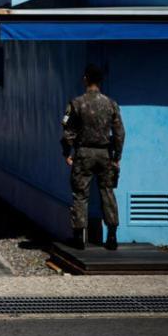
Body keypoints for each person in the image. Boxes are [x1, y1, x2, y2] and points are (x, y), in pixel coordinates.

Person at [61, 63, 125, 251]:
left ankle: (80, 237)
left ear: (85, 79)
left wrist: (67, 152)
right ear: (100, 81)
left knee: (80, 195)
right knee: (107, 192)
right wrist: (117, 156)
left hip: (84, 154)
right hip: (105, 153)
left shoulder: (76, 103)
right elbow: (120, 132)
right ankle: (112, 236)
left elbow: (67, 131)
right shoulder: (111, 104)